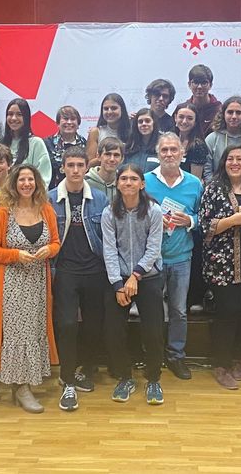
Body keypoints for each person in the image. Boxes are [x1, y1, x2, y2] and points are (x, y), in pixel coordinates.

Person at [0, 165, 60, 413]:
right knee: (17, 335)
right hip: (11, 284)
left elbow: (56, 242)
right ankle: (20, 386)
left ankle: (27, 382)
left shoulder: (45, 209)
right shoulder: (2, 213)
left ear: (37, 183)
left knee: (35, 330)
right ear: (14, 184)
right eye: (22, 180)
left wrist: (50, 250)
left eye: (31, 179)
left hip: (38, 282)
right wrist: (15, 254)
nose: (26, 184)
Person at [199, 145, 241, 390]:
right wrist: (232, 221)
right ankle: (221, 363)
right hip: (222, 263)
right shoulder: (214, 188)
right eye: (230, 159)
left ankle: (238, 358)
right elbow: (204, 226)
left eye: (240, 158)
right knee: (228, 311)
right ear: (224, 162)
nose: (235, 163)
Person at [49, 148, 109, 412]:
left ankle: (84, 368)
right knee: (66, 324)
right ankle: (68, 378)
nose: (75, 170)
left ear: (87, 168)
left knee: (94, 324)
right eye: (70, 165)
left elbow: (108, 236)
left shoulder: (100, 198)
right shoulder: (50, 199)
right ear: (62, 168)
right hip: (64, 270)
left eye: (79, 165)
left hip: (95, 269)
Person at [101, 163, 166, 405]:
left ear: (142, 183)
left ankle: (154, 379)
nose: (128, 183)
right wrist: (118, 284)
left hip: (147, 278)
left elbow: (153, 249)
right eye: (124, 179)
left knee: (153, 332)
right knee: (114, 332)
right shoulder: (110, 212)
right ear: (117, 184)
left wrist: (135, 276)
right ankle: (125, 377)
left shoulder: (153, 211)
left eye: (133, 179)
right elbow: (109, 249)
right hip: (119, 280)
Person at [144, 133, 204, 381]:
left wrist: (190, 220)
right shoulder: (144, 181)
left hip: (181, 257)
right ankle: (153, 357)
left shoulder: (194, 183)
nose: (169, 154)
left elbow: (205, 216)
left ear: (183, 153)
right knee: (153, 311)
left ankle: (176, 355)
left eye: (173, 150)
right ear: (157, 154)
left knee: (179, 310)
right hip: (152, 259)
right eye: (164, 150)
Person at [0, 99, 53, 188]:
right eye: (10, 114)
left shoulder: (36, 143)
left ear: (26, 117)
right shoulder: (0, 143)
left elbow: (44, 178)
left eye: (19, 114)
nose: (13, 118)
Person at [205, 96, 241, 177]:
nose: (234, 117)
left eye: (238, 113)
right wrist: (214, 187)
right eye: (230, 112)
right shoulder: (212, 139)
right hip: (218, 186)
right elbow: (207, 171)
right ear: (223, 114)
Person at [44, 105, 87, 189]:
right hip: (53, 191)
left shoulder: (85, 143)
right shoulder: (47, 143)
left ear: (78, 124)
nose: (69, 122)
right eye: (66, 119)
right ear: (58, 123)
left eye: (73, 119)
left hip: (79, 190)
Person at [86, 93, 131, 165]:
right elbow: (89, 164)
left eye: (114, 108)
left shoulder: (131, 132)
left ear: (122, 110)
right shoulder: (96, 132)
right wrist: (108, 155)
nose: (109, 112)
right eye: (106, 109)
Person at [172, 104, 210, 179]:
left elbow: (195, 180)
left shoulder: (197, 146)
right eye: (181, 117)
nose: (184, 121)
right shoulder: (169, 140)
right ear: (175, 118)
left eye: (189, 118)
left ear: (195, 122)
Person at [183, 64, 222, 131]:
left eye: (204, 83)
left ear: (210, 85)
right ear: (189, 84)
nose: (199, 87)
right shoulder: (182, 109)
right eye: (195, 82)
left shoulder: (219, 110)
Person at [123, 108, 161, 173]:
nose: (144, 124)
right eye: (140, 122)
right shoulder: (129, 147)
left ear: (154, 123)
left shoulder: (162, 146)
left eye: (147, 121)